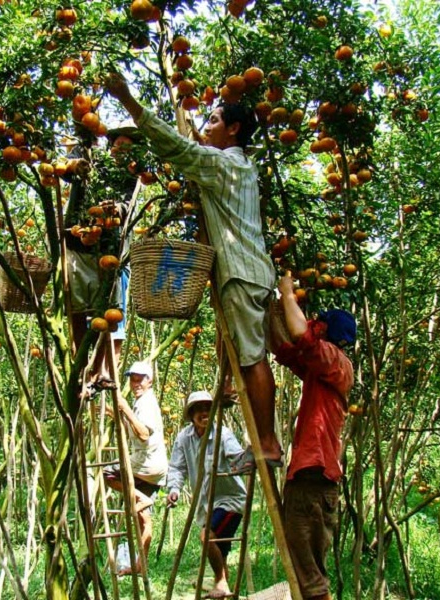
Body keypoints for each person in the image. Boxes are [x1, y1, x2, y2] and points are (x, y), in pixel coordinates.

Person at [105, 73, 282, 468]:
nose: (208, 128)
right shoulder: (241, 166)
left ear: (234, 129)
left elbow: (175, 147)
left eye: (215, 121)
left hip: (240, 273)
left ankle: (267, 444)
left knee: (252, 359)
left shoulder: (223, 165)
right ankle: (258, 431)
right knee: (242, 352)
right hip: (249, 272)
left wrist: (129, 101)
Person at [272, 274, 356, 600]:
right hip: (312, 481)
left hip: (313, 480)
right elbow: (286, 347)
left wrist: (288, 293)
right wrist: (276, 305)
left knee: (310, 579)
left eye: (319, 325)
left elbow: (299, 335)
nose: (312, 326)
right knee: (309, 574)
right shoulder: (320, 371)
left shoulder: (337, 362)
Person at [63, 124, 143, 389]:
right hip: (78, 243)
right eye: (118, 145)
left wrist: (116, 210)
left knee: (106, 313)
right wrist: (77, 164)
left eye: (128, 148)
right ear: (109, 146)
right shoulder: (91, 160)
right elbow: (66, 169)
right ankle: (80, 359)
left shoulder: (132, 177)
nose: (121, 151)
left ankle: (99, 369)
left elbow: (126, 207)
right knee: (76, 306)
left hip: (108, 251)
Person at [167, 391, 247, 599]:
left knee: (207, 537)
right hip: (206, 504)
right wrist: (174, 490)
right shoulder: (184, 437)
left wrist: (246, 461)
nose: (204, 413)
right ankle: (224, 588)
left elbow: (236, 456)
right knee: (219, 550)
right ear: (191, 414)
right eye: (199, 409)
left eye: (207, 409)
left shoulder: (223, 433)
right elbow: (177, 467)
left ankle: (220, 582)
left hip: (229, 500)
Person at [102, 360, 168, 575]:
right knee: (144, 519)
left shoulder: (146, 403)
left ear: (150, 381)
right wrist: (117, 412)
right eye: (133, 379)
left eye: (140, 379)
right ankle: (140, 565)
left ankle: (140, 497)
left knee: (104, 473)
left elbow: (143, 433)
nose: (136, 383)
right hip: (155, 468)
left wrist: (125, 408)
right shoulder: (142, 402)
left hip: (144, 465)